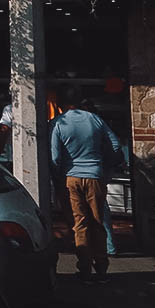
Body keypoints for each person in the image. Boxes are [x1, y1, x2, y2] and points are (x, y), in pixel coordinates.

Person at [50, 97, 124, 282]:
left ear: (61, 104)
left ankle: (84, 269)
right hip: (95, 176)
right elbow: (115, 145)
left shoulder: (58, 123)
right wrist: (105, 167)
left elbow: (55, 156)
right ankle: (101, 269)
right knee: (98, 222)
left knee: (79, 224)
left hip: (70, 178)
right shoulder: (94, 119)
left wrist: (58, 178)